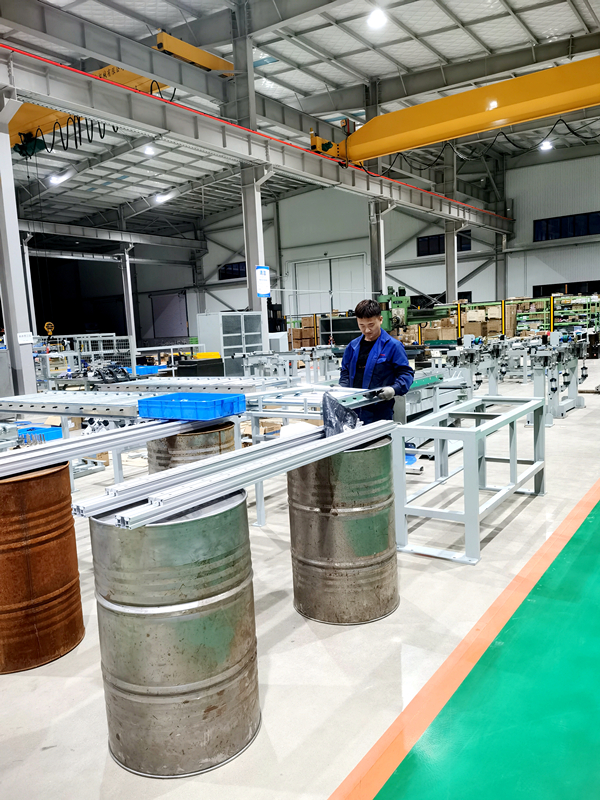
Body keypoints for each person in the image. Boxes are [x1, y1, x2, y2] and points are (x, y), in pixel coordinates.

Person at [339, 299, 414, 424]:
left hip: (379, 413)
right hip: (353, 411)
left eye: (371, 325)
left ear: (380, 319)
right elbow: (345, 372)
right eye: (362, 326)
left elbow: (406, 374)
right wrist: (342, 388)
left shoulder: (393, 346)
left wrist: (394, 389)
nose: (367, 330)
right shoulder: (352, 347)